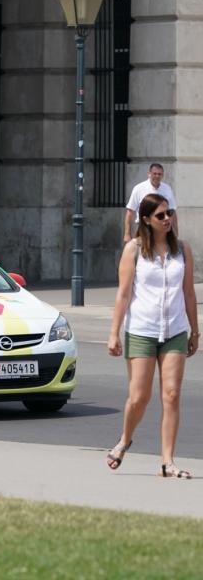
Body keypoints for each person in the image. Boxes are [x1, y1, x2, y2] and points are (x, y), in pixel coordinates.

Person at [107, 193, 198, 478]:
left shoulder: (182, 250)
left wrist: (195, 330)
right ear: (146, 219)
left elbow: (189, 293)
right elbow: (123, 294)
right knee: (139, 397)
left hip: (174, 330)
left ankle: (168, 461)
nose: (167, 218)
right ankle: (125, 439)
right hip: (142, 330)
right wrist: (114, 333)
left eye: (168, 212)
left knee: (171, 395)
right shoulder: (133, 250)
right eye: (160, 215)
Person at [124, 163, 178, 244]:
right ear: (149, 174)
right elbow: (130, 212)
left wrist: (176, 231)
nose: (157, 176)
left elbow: (172, 211)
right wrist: (127, 234)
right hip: (144, 228)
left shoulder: (167, 189)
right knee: (143, 253)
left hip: (163, 228)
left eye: (159, 174)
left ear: (162, 175)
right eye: (154, 174)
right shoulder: (139, 188)